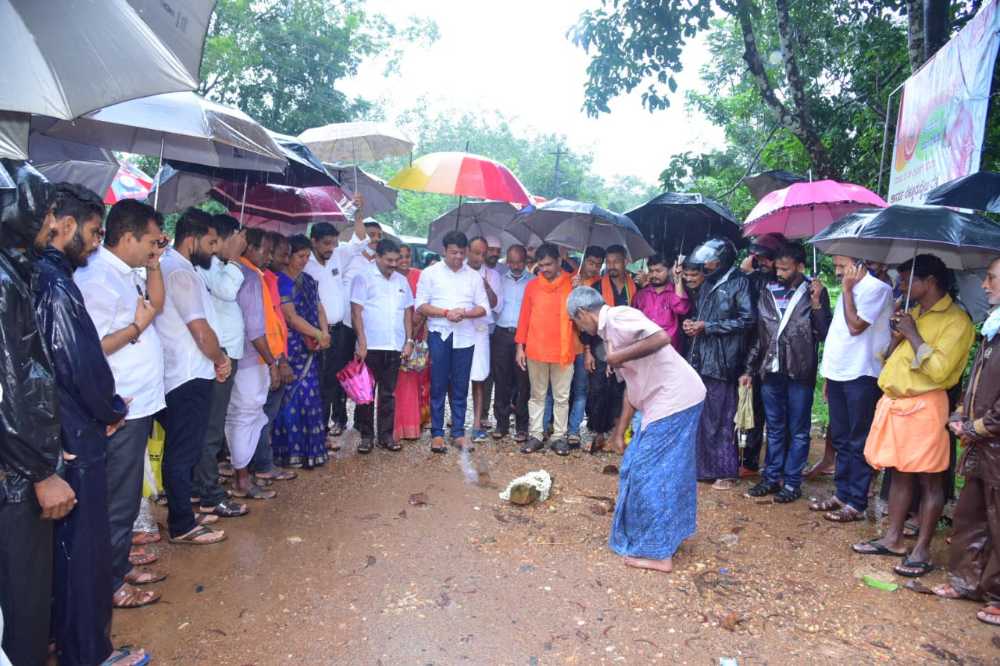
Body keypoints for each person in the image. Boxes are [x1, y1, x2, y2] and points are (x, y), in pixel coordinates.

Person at [33, 184, 140, 666]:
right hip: (75, 431)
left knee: (62, 551)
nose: (97, 243)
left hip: (60, 430)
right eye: (96, 233)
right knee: (83, 550)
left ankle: (64, 639)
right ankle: (88, 653)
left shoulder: (36, 276)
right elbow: (79, 362)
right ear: (67, 226)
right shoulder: (54, 284)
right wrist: (111, 408)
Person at [567, 286, 706, 573]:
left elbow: (662, 337)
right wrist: (620, 430)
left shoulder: (618, 317)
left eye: (576, 321)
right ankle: (665, 537)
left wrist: (617, 358)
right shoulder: (608, 335)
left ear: (582, 314)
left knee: (649, 473)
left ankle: (658, 553)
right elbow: (633, 386)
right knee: (634, 467)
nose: (578, 328)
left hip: (675, 399)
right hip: (660, 402)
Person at [852, 254, 974, 578]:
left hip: (926, 404)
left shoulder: (957, 321)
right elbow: (891, 360)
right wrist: (899, 337)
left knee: (930, 479)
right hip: (897, 404)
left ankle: (921, 549)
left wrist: (915, 334)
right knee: (899, 472)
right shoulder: (914, 313)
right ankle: (893, 538)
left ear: (929, 282)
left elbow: (940, 371)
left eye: (906, 281)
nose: (901, 287)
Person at [74, 199, 170, 609]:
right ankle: (110, 583)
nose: (155, 246)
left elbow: (157, 304)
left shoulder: (124, 273)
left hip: (139, 401)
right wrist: (136, 328)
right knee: (117, 498)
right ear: (127, 237)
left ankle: (117, 565)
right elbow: (90, 348)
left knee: (127, 494)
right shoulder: (97, 278)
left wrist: (153, 263)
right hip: (121, 404)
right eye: (150, 240)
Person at [0, 167, 71, 666]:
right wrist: (41, 469)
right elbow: (8, 393)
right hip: (16, 478)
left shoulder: (13, 271)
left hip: (19, 466)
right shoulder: (3, 282)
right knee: (22, 605)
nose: (52, 224)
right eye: (44, 210)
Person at [155, 208, 231, 545]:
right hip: (188, 373)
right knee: (183, 451)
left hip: (182, 371)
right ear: (192, 239)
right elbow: (200, 331)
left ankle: (183, 510)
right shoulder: (179, 273)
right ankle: (182, 524)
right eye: (211, 242)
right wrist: (220, 358)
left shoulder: (176, 267)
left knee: (184, 447)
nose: (215, 249)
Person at [934, 257, 1000, 626]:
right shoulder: (992, 330)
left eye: (991, 279)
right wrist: (963, 413)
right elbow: (977, 383)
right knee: (970, 514)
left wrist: (974, 427)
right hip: (982, 445)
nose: (985, 286)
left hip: (992, 442)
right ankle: (966, 579)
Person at [741, 242, 832, 503]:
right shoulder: (768, 289)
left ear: (800, 267)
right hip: (771, 369)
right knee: (775, 427)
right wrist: (749, 368)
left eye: (785, 268)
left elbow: (824, 333)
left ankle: (792, 483)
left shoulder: (814, 292)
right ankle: (771, 477)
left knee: (799, 429)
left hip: (800, 369)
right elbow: (761, 334)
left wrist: (816, 303)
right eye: (777, 267)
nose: (779, 272)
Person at [808, 256, 894, 522]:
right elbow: (838, 335)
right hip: (839, 373)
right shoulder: (853, 288)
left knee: (859, 440)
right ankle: (841, 493)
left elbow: (856, 326)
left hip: (862, 373)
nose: (837, 271)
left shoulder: (877, 289)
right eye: (835, 266)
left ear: (859, 266)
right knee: (842, 437)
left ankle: (857, 501)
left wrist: (846, 290)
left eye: (842, 266)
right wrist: (829, 376)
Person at [682, 238, 755, 490]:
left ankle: (726, 471)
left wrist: (709, 327)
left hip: (725, 361)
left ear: (722, 260)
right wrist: (693, 325)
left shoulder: (740, 283)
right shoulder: (708, 282)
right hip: (702, 358)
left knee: (722, 417)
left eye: (711, 261)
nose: (706, 265)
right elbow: (702, 315)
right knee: (702, 416)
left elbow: (748, 321)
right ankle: (704, 468)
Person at [193, 214, 253, 517]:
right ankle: (209, 493)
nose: (217, 245)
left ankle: (201, 486)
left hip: (227, 350)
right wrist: (234, 259)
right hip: (219, 352)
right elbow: (227, 292)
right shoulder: (207, 267)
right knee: (211, 427)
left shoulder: (215, 265)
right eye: (215, 240)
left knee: (211, 425)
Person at [226, 229, 288, 499]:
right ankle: (241, 478)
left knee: (247, 416)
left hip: (246, 357)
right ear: (248, 248)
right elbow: (255, 329)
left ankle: (244, 473)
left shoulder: (242, 273)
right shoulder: (247, 276)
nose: (269, 256)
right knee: (245, 416)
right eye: (264, 249)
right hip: (252, 358)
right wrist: (272, 362)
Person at [416, 230, 490, 453]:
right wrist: (446, 312)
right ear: (444, 251)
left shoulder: (474, 277)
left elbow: (483, 307)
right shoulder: (430, 274)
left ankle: (458, 433)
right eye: (453, 252)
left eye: (461, 253)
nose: (458, 257)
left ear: (466, 251)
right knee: (438, 384)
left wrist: (464, 313)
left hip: (465, 337)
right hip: (440, 334)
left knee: (460, 386)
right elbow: (421, 305)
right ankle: (437, 433)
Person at [304, 196, 366, 444]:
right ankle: (310, 433)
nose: (331, 248)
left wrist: (357, 212)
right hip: (314, 334)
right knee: (313, 384)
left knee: (331, 383)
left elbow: (360, 241)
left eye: (334, 243)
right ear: (314, 242)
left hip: (338, 332)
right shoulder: (302, 262)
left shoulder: (338, 255)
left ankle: (323, 432)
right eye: (326, 244)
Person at [351, 237, 414, 453]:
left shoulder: (401, 281)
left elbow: (407, 312)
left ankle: (386, 436)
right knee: (365, 394)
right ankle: (366, 436)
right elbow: (356, 312)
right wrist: (361, 342)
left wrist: (409, 341)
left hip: (394, 346)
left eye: (396, 260)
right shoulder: (363, 277)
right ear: (377, 257)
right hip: (370, 347)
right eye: (389, 260)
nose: (394, 264)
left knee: (388, 394)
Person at [515, 243, 579, 455]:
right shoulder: (532, 286)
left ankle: (559, 437)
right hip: (535, 349)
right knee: (537, 395)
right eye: (541, 265)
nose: (545, 269)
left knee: (562, 397)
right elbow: (524, 318)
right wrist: (520, 347)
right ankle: (535, 435)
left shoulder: (572, 284)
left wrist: (580, 291)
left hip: (563, 350)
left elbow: (583, 314)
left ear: (559, 261)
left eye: (549, 264)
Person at [273, 235, 331, 468]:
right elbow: (289, 316)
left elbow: (318, 308)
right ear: (288, 257)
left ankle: (311, 452)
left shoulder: (309, 280)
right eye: (300, 256)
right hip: (290, 346)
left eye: (307, 256)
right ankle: (288, 453)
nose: (305, 260)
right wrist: (317, 334)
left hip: (311, 346)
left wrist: (324, 332)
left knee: (311, 397)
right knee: (290, 398)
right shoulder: (281, 282)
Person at [739, 233, 787, 477]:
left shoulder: (791, 283)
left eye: (767, 257)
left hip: (780, 353)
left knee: (778, 414)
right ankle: (749, 461)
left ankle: (777, 467)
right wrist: (746, 272)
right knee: (753, 408)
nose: (764, 262)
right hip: (753, 348)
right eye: (760, 257)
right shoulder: (753, 279)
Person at [248, 231, 295, 483]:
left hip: (274, 356)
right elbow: (264, 326)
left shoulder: (270, 278)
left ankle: (262, 463)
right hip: (264, 359)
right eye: (280, 255)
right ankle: (261, 465)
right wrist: (277, 361)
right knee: (260, 415)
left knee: (266, 414)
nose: (285, 260)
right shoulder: (259, 278)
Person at [584, 245, 635, 449]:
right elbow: (586, 322)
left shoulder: (634, 287)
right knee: (597, 388)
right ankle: (597, 431)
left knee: (620, 389)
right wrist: (588, 351)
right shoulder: (596, 287)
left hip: (625, 347)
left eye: (617, 261)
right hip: (599, 346)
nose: (612, 265)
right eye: (609, 261)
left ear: (625, 262)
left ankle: (617, 432)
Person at [492, 244, 532, 443]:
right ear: (507, 261)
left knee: (523, 382)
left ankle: (522, 426)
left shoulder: (534, 282)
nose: (515, 266)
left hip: (525, 337)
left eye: (519, 262)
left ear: (526, 261)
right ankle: (501, 424)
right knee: (501, 380)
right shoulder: (499, 280)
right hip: (501, 335)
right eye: (512, 262)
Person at [467, 236, 502, 442]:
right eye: (476, 253)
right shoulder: (459, 271)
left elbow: (496, 306)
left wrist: (486, 286)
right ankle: (456, 420)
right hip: (460, 329)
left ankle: (478, 423)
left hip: (481, 330)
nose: (480, 257)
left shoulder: (493, 275)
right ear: (468, 251)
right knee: (457, 378)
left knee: (479, 378)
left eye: (483, 253)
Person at [394, 244, 429, 441]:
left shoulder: (420, 276)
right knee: (399, 383)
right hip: (395, 336)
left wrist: (417, 327)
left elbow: (424, 305)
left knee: (421, 378)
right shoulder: (391, 278)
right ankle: (400, 424)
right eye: (400, 256)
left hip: (418, 337)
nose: (404, 260)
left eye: (407, 256)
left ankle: (419, 421)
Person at [633, 253, 690, 345]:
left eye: (658, 271)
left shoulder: (674, 293)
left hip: (669, 349)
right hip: (645, 349)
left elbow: (681, 309)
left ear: (669, 270)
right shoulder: (641, 295)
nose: (654, 275)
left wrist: (678, 278)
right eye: (651, 271)